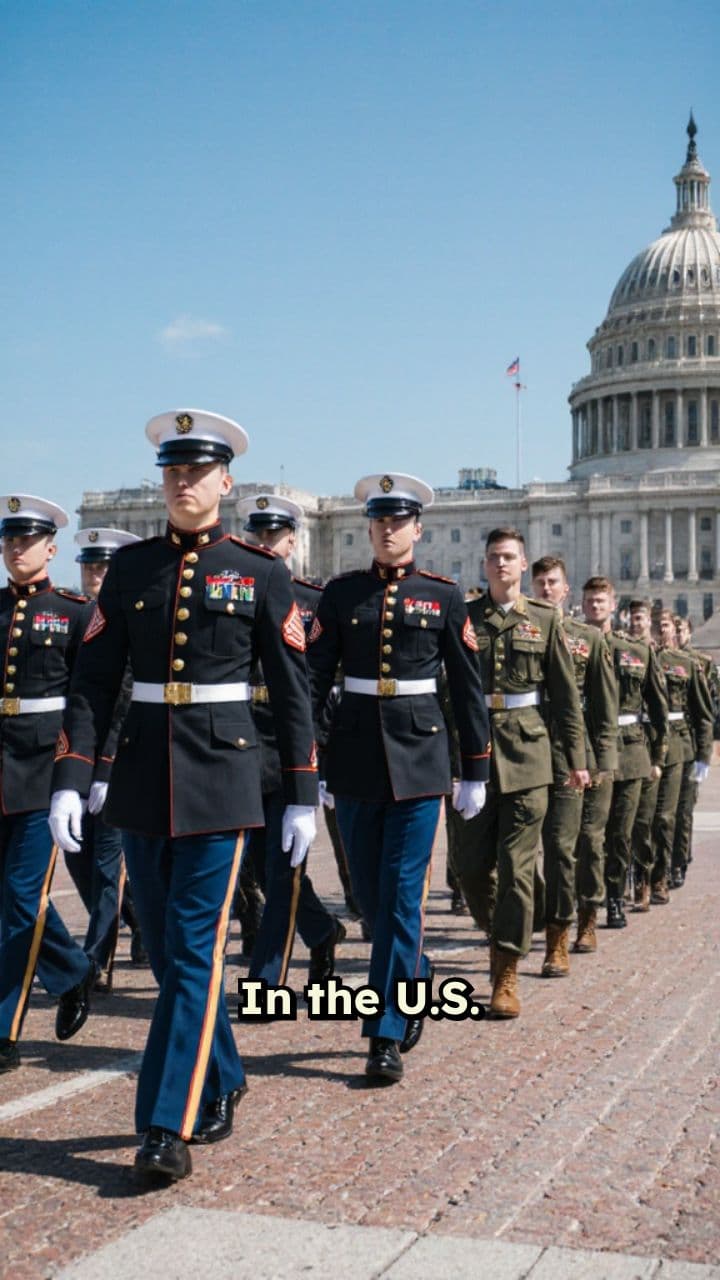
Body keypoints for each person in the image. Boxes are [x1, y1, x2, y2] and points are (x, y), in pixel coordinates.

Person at [50, 410, 318, 1183]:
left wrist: (302, 790)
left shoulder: (259, 571)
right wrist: (72, 777)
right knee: (171, 956)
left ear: (225, 483)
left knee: (196, 949)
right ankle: (224, 1073)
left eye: (197, 472)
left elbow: (292, 691)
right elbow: (93, 684)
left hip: (223, 777)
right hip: (141, 776)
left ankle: (166, 1122)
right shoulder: (131, 570)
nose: (182, 484)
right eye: (172, 472)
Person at [307, 473, 491, 1083]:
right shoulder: (341, 594)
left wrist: (475, 769)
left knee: (402, 894)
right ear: (369, 528)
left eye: (398, 521)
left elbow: (466, 688)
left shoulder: (443, 595)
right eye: (379, 521)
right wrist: (309, 758)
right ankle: (414, 971)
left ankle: (383, 1032)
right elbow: (313, 681)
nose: (388, 531)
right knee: (370, 897)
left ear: (418, 529)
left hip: (419, 759)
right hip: (356, 757)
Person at [450, 529, 587, 1019]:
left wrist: (577, 759)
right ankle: (508, 927)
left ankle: (505, 969)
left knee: (516, 867)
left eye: (509, 557)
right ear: (484, 564)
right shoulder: (463, 617)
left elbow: (565, 698)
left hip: (529, 755)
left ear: (523, 564)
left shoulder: (545, 620)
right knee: (468, 868)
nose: (501, 564)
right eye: (494, 557)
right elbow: (449, 692)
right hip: (475, 756)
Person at [0, 495, 97, 1073]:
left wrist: (84, 772)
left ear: (51, 549)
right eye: (9, 540)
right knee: (9, 900)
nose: (16, 549)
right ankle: (72, 970)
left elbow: (89, 701)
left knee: (19, 897)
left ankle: (4, 1030)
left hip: (44, 771)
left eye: (27, 540)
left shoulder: (74, 612)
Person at [237, 493, 345, 990]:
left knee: (282, 867)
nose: (265, 544)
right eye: (257, 535)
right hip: (240, 738)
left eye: (274, 536)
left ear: (292, 542)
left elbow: (320, 688)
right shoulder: (233, 591)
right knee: (260, 867)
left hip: (287, 741)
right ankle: (321, 931)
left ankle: (266, 980)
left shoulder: (313, 602)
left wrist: (317, 755)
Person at [63, 527, 146, 992]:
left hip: (118, 757)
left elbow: (126, 698)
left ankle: (97, 962)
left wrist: (109, 764)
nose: (95, 575)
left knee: (105, 864)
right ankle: (140, 920)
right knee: (79, 860)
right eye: (89, 566)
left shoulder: (131, 623)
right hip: (74, 757)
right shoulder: (75, 616)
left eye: (103, 567)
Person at [531, 556, 618, 977]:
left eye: (553, 583)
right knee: (521, 849)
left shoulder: (588, 639)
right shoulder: (522, 632)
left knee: (569, 847)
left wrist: (602, 763)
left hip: (573, 754)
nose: (546, 589)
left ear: (567, 590)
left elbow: (604, 707)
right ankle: (536, 912)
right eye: (540, 582)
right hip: (528, 750)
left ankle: (570, 927)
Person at [586, 582, 668, 928]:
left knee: (621, 833)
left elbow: (658, 708)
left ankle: (616, 896)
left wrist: (658, 755)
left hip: (631, 751)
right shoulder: (571, 645)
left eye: (601, 600)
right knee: (591, 834)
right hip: (589, 750)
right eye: (590, 601)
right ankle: (589, 901)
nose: (595, 606)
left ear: (613, 605)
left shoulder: (637, 651)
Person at [646, 608, 712, 901]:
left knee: (677, 813)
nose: (661, 630)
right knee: (649, 816)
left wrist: (703, 756)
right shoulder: (645, 657)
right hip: (648, 745)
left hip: (682, 745)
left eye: (666, 625)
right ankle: (649, 871)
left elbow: (704, 713)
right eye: (656, 625)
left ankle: (675, 863)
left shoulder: (692, 663)